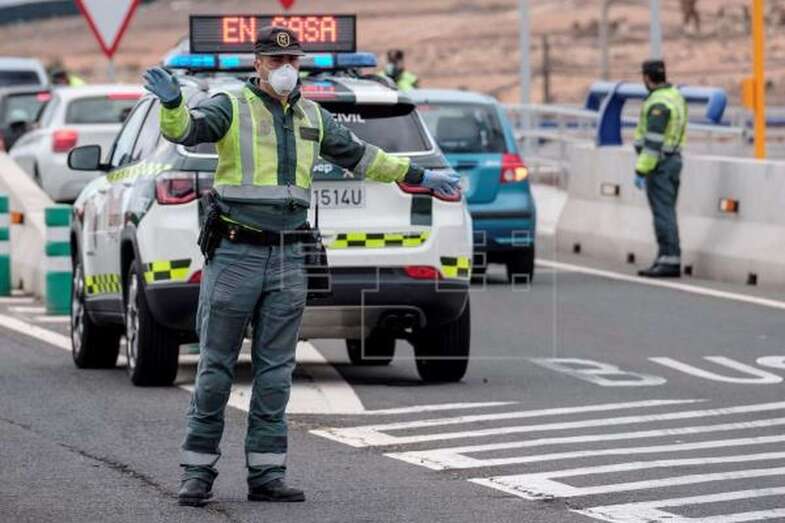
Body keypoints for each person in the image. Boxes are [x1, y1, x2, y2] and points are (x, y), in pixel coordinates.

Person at [142, 26, 460, 507]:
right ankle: (197, 472)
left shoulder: (313, 115)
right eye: (275, 59)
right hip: (236, 253)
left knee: (275, 371)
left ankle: (267, 473)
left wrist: (421, 175)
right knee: (215, 368)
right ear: (258, 63)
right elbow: (187, 131)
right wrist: (172, 106)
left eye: (292, 58)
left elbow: (362, 157)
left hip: (289, 255)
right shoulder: (231, 106)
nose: (285, 67)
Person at [633, 59, 687, 278]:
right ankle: (665, 257)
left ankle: (669, 260)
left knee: (663, 214)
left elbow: (653, 143)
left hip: (660, 165)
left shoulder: (658, 104)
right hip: (673, 159)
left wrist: (640, 170)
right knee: (668, 211)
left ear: (647, 77)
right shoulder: (675, 95)